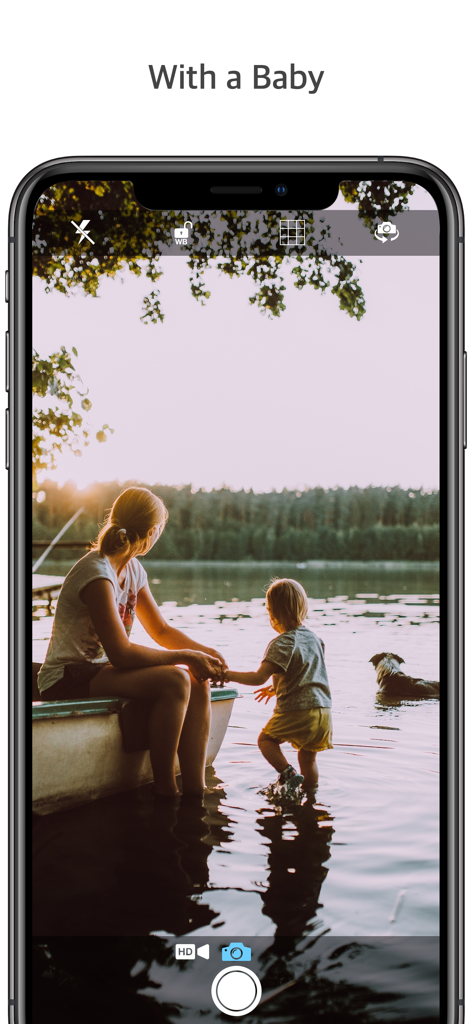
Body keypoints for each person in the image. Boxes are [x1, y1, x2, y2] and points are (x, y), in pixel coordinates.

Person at [37, 487, 227, 798]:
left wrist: (204, 654)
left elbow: (161, 630)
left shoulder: (133, 569)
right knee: (177, 680)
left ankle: (196, 789)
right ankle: (166, 789)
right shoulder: (97, 574)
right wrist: (186, 657)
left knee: (196, 679)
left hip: (100, 671)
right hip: (66, 677)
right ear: (153, 532)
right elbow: (122, 654)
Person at [223, 578, 332, 793]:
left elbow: (258, 677)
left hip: (298, 711)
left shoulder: (282, 642)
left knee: (266, 740)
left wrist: (226, 675)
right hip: (324, 712)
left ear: (273, 614)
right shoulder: (315, 639)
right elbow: (306, 673)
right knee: (308, 758)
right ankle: (310, 799)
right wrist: (275, 689)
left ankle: (288, 772)